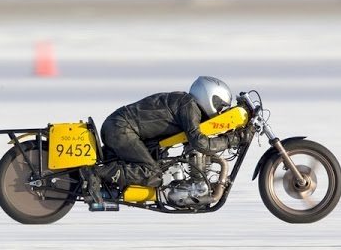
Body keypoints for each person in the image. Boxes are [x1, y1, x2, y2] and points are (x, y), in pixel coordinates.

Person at [82, 76, 252, 206]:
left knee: (158, 168)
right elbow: (199, 143)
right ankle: (96, 173)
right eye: (220, 105)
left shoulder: (187, 104)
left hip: (120, 127)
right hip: (121, 129)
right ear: (210, 97)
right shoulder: (188, 105)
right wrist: (233, 140)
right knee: (152, 173)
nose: (221, 111)